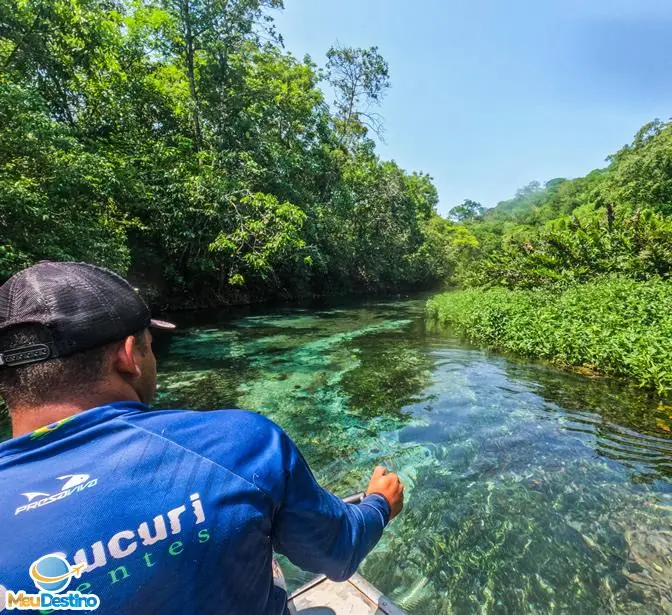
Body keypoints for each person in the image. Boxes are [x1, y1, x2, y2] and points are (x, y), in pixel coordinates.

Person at [0, 261, 404, 614]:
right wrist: (378, 505)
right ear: (127, 356)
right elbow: (338, 554)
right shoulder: (242, 444)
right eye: (150, 346)